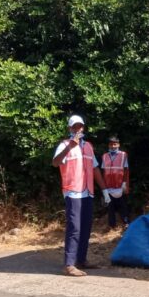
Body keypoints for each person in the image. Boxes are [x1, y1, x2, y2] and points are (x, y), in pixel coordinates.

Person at [52, 114, 107, 277]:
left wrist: (104, 190)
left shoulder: (88, 146)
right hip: (73, 191)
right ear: (70, 129)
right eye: (75, 127)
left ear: (83, 128)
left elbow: (95, 168)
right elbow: (55, 162)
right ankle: (69, 264)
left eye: (80, 126)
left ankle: (81, 260)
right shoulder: (64, 145)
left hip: (87, 192)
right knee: (74, 227)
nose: (78, 129)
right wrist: (70, 147)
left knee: (86, 226)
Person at [101, 135, 131, 228]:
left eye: (115, 144)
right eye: (111, 144)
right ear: (108, 145)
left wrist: (124, 183)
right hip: (109, 187)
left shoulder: (123, 155)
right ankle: (112, 226)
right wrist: (104, 187)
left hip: (120, 186)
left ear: (118, 144)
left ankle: (126, 223)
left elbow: (126, 170)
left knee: (123, 207)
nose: (113, 146)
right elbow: (103, 171)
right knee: (110, 208)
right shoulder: (105, 156)